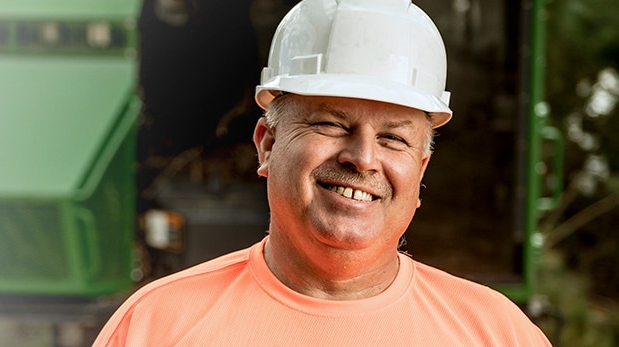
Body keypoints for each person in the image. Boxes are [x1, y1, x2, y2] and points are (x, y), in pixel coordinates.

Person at [92, 0, 553, 345]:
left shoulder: (497, 334)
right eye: (332, 124)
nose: (363, 157)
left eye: (394, 138)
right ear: (267, 144)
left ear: (420, 170)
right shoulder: (156, 327)